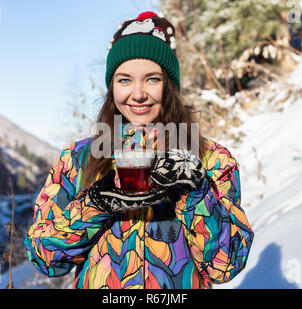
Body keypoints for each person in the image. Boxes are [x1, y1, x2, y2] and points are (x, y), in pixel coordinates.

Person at [24, 11, 254, 289]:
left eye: (152, 79)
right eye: (124, 80)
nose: (138, 93)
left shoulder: (212, 158)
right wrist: (93, 207)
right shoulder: (78, 158)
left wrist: (196, 194)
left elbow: (225, 267)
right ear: (111, 87)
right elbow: (44, 259)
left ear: (169, 84)